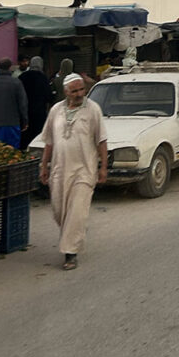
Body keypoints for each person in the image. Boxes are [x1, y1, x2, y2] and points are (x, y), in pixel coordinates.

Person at [39, 74, 108, 271]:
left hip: (84, 170)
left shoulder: (93, 109)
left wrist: (102, 167)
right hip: (60, 170)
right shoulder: (56, 110)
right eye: (74, 91)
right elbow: (49, 141)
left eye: (81, 90)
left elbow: (102, 140)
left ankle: (70, 254)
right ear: (66, 92)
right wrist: (44, 166)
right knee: (59, 211)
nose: (79, 94)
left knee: (77, 211)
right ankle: (72, 237)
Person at [18, 56, 54, 150]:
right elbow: (49, 96)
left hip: (24, 112)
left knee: (25, 135)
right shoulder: (43, 78)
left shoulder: (22, 77)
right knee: (37, 135)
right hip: (39, 113)